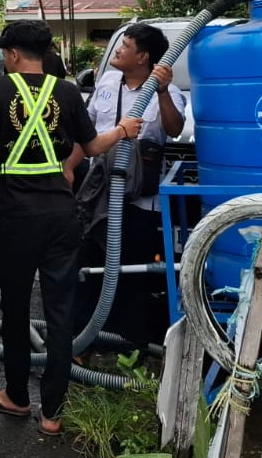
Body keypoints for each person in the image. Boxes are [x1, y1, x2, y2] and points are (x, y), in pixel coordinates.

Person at [0, 19, 141, 435]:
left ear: (13, 55)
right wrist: (124, 131)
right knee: (59, 314)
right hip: (61, 214)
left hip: (15, 216)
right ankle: (53, 414)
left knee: (16, 309)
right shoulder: (68, 91)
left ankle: (16, 398)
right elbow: (92, 148)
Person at [78, 23, 187, 342]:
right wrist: (70, 170)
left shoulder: (166, 91)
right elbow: (85, 130)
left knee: (134, 271)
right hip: (100, 192)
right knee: (91, 266)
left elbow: (175, 128)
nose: (118, 50)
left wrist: (163, 91)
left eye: (125, 45)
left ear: (143, 57)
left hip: (139, 201)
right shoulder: (107, 82)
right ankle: (90, 338)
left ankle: (131, 344)